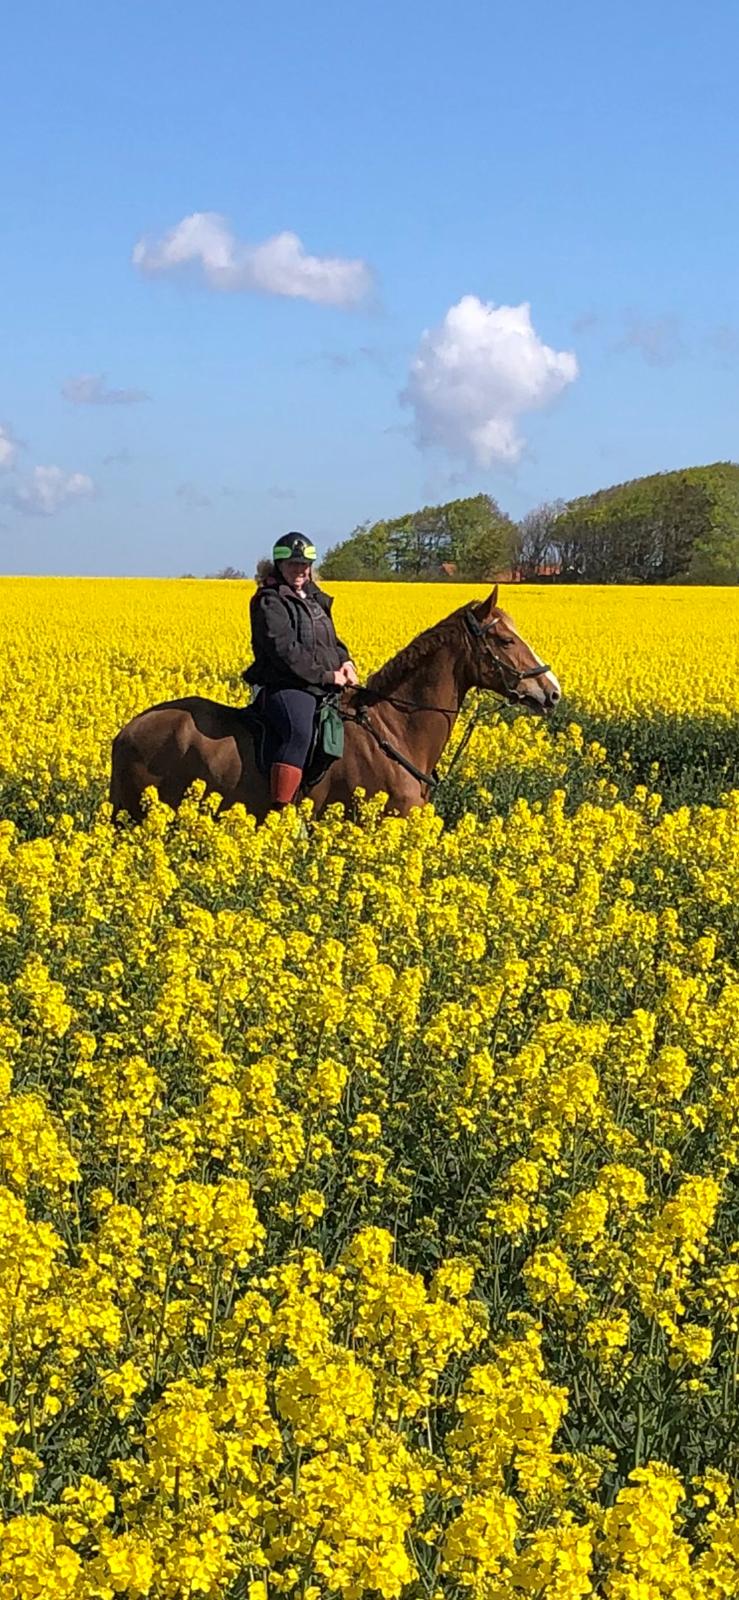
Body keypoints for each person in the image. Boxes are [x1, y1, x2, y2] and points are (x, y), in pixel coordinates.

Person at [243, 532, 359, 808]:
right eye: (294, 564)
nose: (300, 570)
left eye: (304, 565)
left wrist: (346, 661)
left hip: (321, 683)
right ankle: (282, 808)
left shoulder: (314, 598)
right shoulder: (269, 600)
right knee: (300, 732)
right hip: (283, 685)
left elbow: (331, 640)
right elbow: (285, 651)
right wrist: (326, 676)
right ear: (279, 566)